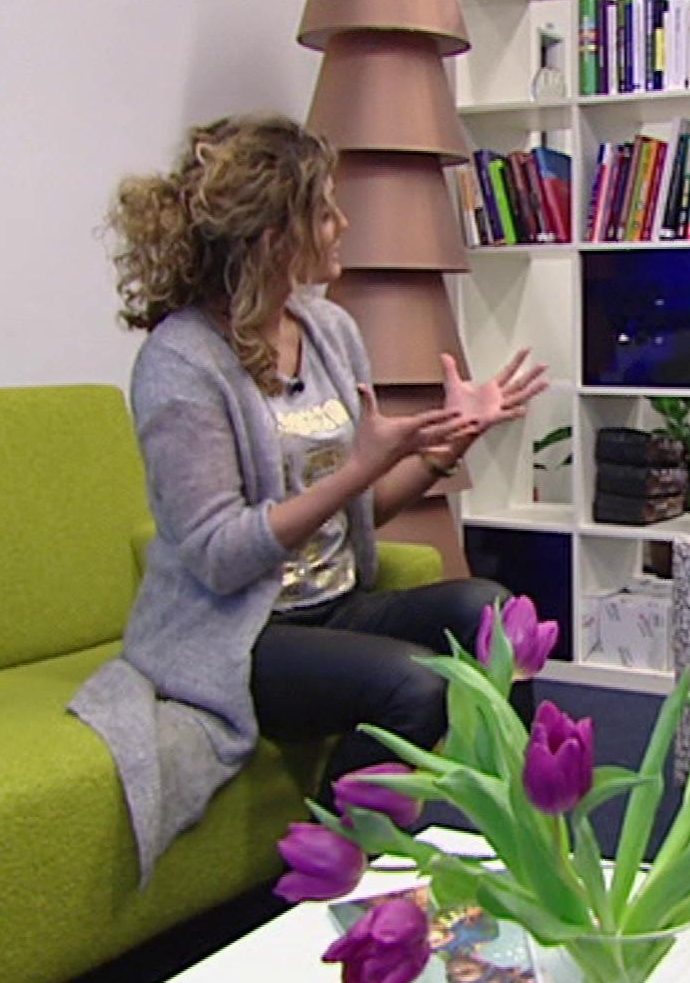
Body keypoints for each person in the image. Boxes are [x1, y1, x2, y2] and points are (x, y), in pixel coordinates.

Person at [70, 113, 547, 882]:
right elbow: (221, 557)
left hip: (334, 605)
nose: (342, 224)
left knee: (495, 616)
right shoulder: (180, 364)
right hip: (236, 636)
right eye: (324, 210)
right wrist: (358, 467)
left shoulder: (327, 330)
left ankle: (527, 855)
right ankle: (330, 891)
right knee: (416, 683)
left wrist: (450, 445)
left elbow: (360, 513)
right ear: (273, 236)